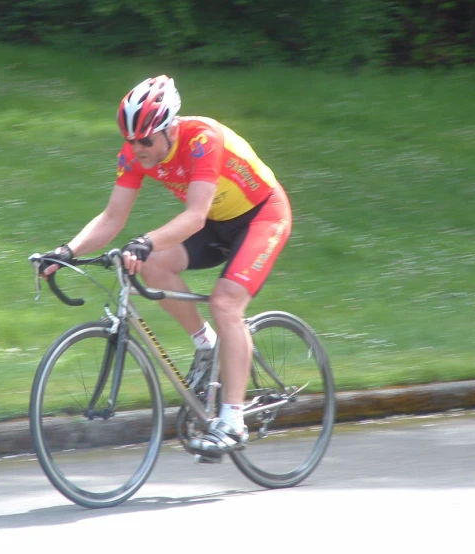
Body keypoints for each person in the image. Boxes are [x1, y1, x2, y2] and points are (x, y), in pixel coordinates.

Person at [43, 75, 292, 459]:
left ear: (170, 128)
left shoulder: (202, 139)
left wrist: (144, 242)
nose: (137, 148)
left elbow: (193, 217)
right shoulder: (133, 155)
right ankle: (206, 345)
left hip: (261, 216)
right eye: (130, 139)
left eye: (145, 140)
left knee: (225, 303)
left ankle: (233, 420)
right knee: (154, 266)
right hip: (215, 223)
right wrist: (67, 250)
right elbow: (112, 218)